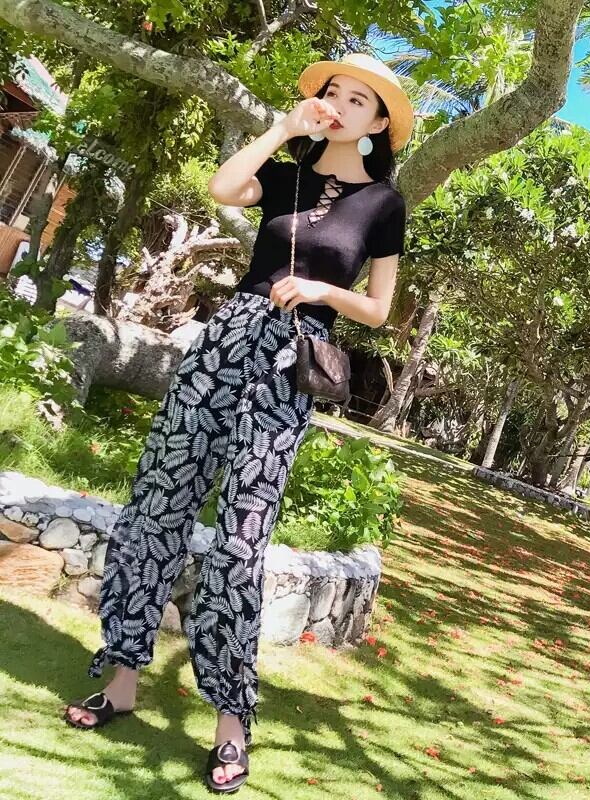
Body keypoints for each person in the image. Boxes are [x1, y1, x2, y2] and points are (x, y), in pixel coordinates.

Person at [62, 52, 414, 793]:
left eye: (359, 100)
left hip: (290, 365)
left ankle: (230, 723)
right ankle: (121, 681)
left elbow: (380, 309)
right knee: (156, 508)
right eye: (334, 92)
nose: (341, 104)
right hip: (224, 345)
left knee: (241, 540)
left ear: (380, 122)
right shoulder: (284, 174)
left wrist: (322, 289)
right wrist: (283, 128)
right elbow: (223, 188)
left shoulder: (384, 204)